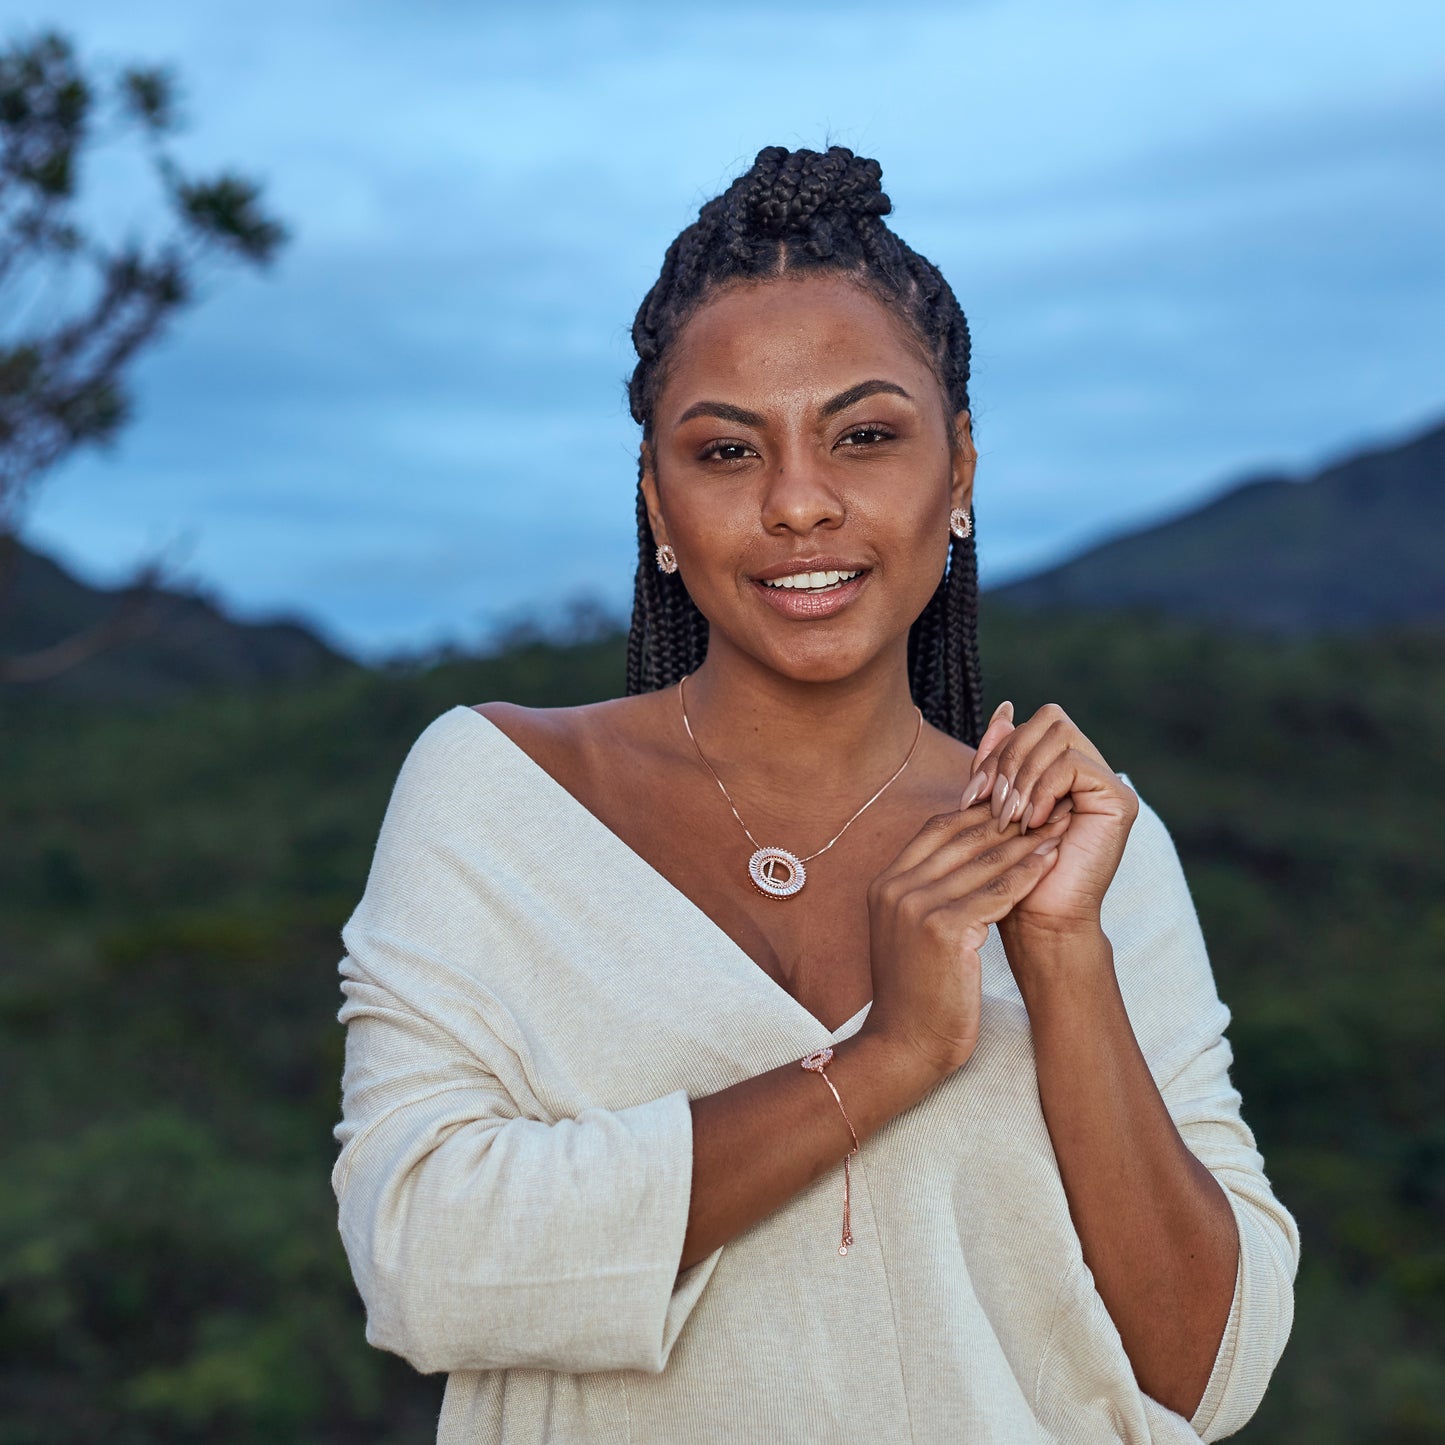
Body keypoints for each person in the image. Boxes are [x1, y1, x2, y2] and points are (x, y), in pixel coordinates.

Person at [332, 145, 1298, 1444]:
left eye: (862, 436)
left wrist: (1061, 956)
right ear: (657, 507)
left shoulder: (1086, 839)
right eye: (727, 451)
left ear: (955, 471)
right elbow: (422, 1261)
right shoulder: (498, 794)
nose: (797, 502)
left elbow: (1203, 1372)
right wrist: (883, 1058)